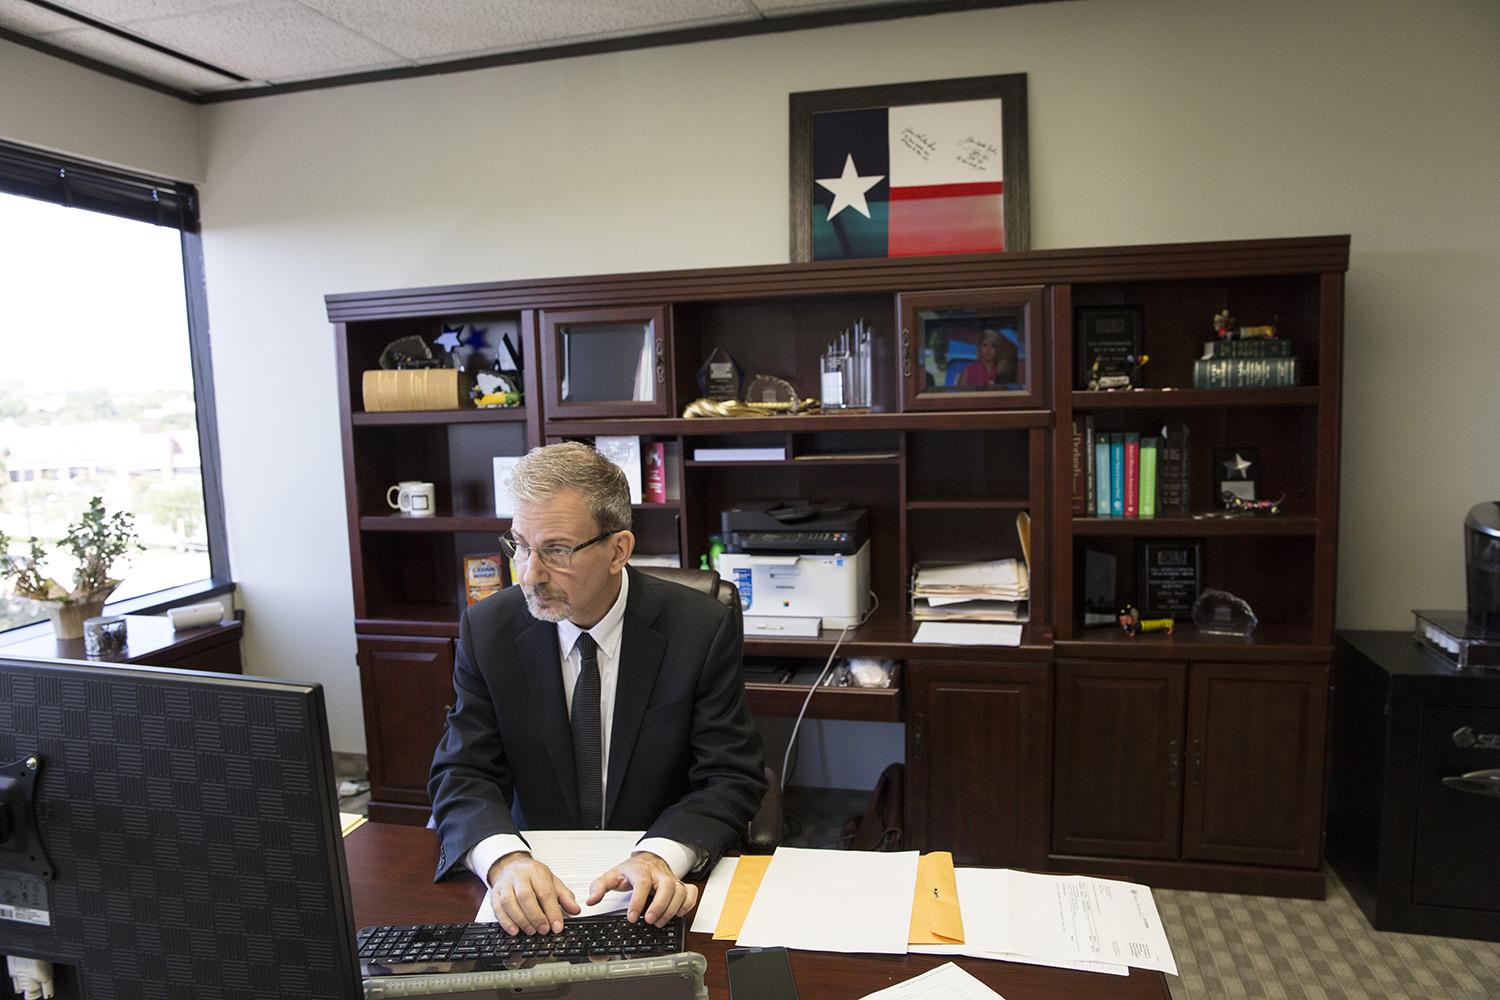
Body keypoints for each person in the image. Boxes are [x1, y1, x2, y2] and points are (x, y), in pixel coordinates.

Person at [429, 441, 767, 937]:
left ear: (619, 550)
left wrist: (660, 854)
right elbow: (462, 772)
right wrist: (505, 862)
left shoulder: (700, 627)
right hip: (538, 897)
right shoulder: (489, 630)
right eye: (520, 545)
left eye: (556, 550)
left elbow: (730, 776)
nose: (529, 574)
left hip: (653, 898)